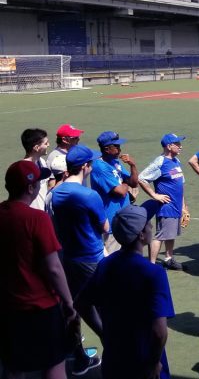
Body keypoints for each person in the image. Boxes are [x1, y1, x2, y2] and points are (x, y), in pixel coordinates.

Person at [0, 160, 79, 379]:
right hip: (40, 307)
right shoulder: (37, 219)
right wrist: (69, 304)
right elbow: (53, 268)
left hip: (7, 306)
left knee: (13, 367)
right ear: (30, 188)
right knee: (54, 364)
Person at [79, 201, 175, 379]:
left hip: (115, 359)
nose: (151, 226)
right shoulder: (154, 273)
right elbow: (160, 331)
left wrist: (103, 333)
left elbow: (82, 304)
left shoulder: (105, 265)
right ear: (141, 235)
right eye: (147, 224)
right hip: (144, 359)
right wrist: (154, 362)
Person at [51, 144, 107, 375]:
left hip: (67, 257)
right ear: (85, 166)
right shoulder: (89, 195)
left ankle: (81, 355)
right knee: (105, 306)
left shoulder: (57, 192)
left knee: (78, 305)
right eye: (90, 163)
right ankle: (112, 344)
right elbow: (105, 227)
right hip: (91, 257)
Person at [139, 133, 188, 270]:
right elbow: (142, 178)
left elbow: (180, 184)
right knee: (160, 236)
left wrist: (183, 205)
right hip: (166, 206)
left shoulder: (176, 161)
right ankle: (151, 265)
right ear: (169, 146)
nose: (180, 147)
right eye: (177, 144)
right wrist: (155, 195)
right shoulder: (160, 162)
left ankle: (168, 258)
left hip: (176, 206)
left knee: (170, 234)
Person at [91, 130, 139, 254]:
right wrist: (125, 183)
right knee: (114, 257)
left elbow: (134, 183)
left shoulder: (115, 162)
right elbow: (121, 192)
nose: (119, 149)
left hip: (124, 218)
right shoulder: (100, 167)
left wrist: (133, 165)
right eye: (116, 146)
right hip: (112, 221)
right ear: (107, 149)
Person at [20, 127, 50, 210]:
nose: (48, 145)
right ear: (37, 148)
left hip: (43, 210)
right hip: (32, 213)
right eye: (46, 143)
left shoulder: (42, 161)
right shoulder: (23, 169)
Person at [46, 123, 83, 188]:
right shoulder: (55, 157)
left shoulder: (74, 152)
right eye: (75, 138)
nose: (78, 139)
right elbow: (51, 184)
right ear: (64, 140)